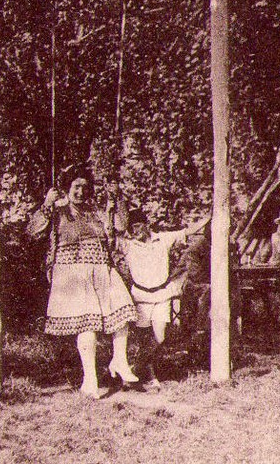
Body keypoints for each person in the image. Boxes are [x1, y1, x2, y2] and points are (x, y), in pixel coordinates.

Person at [28, 169, 138, 397]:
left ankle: (120, 361)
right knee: (88, 325)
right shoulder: (57, 211)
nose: (80, 191)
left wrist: (117, 199)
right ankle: (90, 381)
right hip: (72, 271)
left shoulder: (96, 211)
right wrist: (46, 203)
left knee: (123, 313)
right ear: (67, 189)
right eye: (76, 187)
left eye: (84, 187)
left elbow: (120, 226)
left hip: (101, 267)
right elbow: (33, 233)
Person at [120, 207, 207, 388]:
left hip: (161, 294)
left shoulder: (163, 239)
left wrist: (211, 215)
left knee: (159, 337)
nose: (135, 231)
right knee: (145, 340)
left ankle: (136, 369)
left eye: (137, 226)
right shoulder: (127, 245)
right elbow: (109, 233)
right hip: (141, 297)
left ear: (146, 224)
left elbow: (189, 230)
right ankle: (150, 377)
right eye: (131, 228)